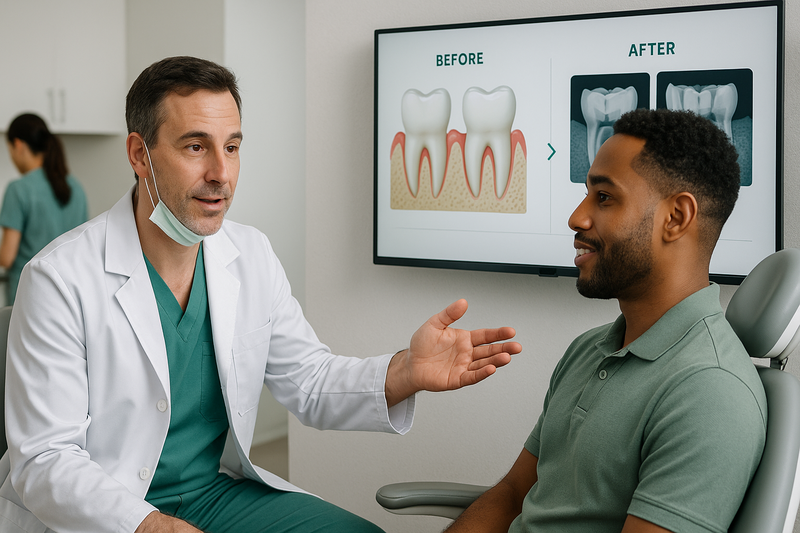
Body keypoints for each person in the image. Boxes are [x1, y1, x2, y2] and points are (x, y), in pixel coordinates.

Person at [0, 57, 521, 533]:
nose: (221, 175)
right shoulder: (58, 278)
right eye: (195, 146)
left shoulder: (250, 253)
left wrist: (402, 372)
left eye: (232, 147)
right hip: (104, 512)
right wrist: (149, 526)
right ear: (141, 154)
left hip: (214, 496)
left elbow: (309, 380)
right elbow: (44, 459)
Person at [445, 109, 767, 533]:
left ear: (676, 217)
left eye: (604, 197)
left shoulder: (710, 391)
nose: (576, 218)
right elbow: (513, 494)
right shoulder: (590, 348)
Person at [1, 113, 88, 303]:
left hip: (27, 296)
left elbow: (6, 257)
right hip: (68, 295)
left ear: (18, 145)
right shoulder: (75, 187)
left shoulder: (18, 189)